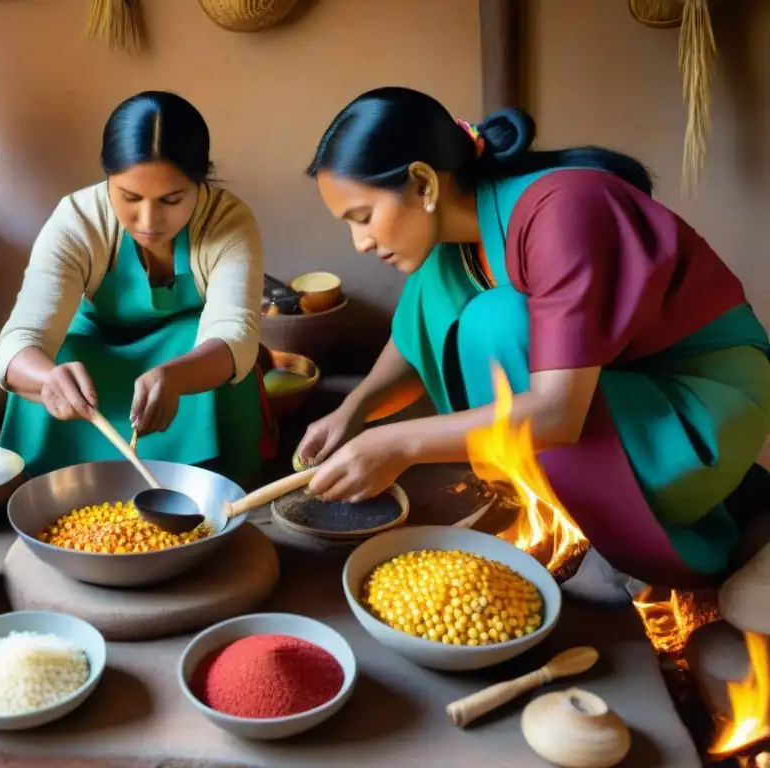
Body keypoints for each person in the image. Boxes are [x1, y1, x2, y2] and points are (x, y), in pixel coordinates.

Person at [298, 86, 770, 587]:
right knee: (475, 310)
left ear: (422, 183)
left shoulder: (565, 208)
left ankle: (606, 541)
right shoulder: (448, 243)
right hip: (621, 381)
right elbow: (415, 335)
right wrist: (355, 410)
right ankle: (552, 505)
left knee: (497, 321)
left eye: (363, 217)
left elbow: (557, 412)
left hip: (700, 404)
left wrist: (396, 444)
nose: (361, 243)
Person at [0, 91, 275, 482]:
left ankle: (204, 481)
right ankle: (60, 479)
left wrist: (175, 376)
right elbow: (20, 338)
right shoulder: (77, 217)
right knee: (63, 354)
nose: (149, 220)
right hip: (97, 348)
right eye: (129, 197)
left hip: (185, 356)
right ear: (107, 177)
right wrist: (47, 380)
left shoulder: (227, 220)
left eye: (172, 199)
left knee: (200, 342)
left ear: (200, 182)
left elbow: (236, 335)